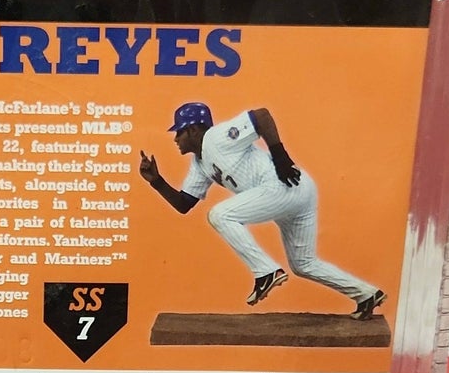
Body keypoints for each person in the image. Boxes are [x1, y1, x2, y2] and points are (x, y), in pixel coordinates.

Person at [139, 102, 385, 316]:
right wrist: (157, 182)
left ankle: (266, 272)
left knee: (219, 214)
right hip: (294, 193)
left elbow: (261, 116)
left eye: (179, 132)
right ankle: (367, 294)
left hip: (282, 185)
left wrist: (280, 156)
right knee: (304, 264)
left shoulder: (216, 136)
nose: (175, 138)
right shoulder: (199, 163)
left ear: (194, 129)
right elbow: (184, 204)